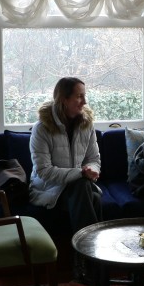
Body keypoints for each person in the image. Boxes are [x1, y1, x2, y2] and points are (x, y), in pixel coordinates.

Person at [29, 77, 102, 234]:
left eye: (84, 95)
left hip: (78, 187)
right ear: (64, 99)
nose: (85, 101)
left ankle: (85, 254)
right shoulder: (42, 128)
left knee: (84, 188)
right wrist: (81, 173)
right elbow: (43, 171)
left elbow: (94, 159)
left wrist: (91, 170)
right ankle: (90, 252)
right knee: (91, 194)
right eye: (79, 96)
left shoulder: (86, 125)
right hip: (49, 189)